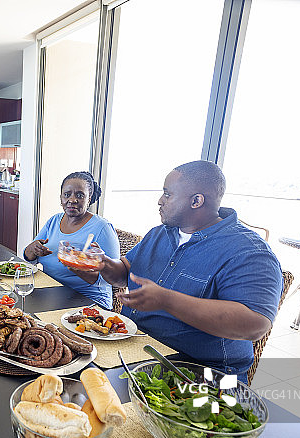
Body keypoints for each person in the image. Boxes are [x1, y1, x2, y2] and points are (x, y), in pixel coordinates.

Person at [93, 160, 283, 382]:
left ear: (196, 201)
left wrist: (167, 300)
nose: (160, 201)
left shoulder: (250, 252)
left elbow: (256, 325)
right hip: (134, 350)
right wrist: (105, 264)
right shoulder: (160, 233)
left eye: (167, 194)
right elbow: (125, 273)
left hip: (198, 374)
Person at [22, 171, 120, 310]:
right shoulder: (54, 221)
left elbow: (114, 278)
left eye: (79, 195)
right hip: (52, 293)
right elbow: (29, 256)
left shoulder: (102, 228)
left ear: (89, 198)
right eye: (67, 194)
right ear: (61, 197)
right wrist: (33, 249)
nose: (72, 200)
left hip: (89, 301)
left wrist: (80, 267)